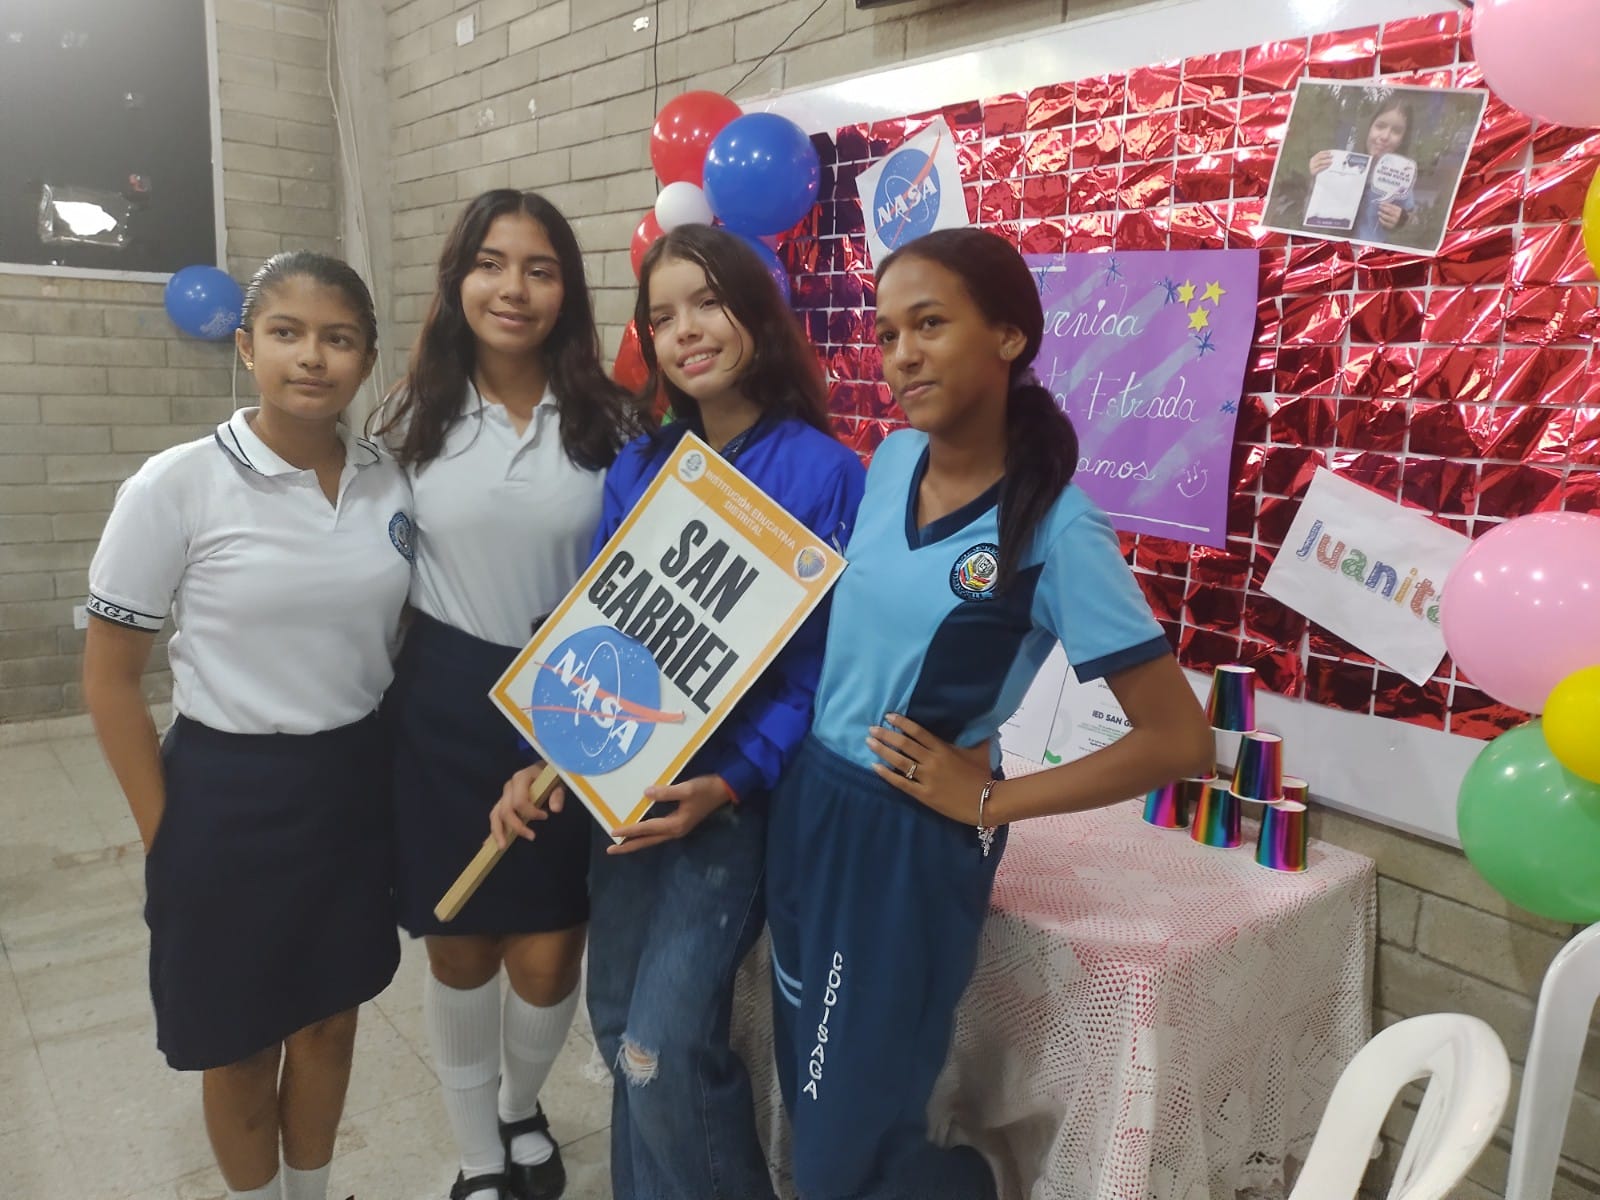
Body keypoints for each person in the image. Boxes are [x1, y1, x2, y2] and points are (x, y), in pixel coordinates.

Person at [764, 227, 1214, 1200]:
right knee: (809, 1092)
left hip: (905, 841)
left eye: (929, 324)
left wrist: (989, 804)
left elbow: (1180, 739)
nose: (902, 355)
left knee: (844, 1144)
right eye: (887, 335)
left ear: (1009, 336)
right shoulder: (887, 466)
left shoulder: (1057, 525)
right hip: (811, 805)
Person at [490, 223, 865, 1200]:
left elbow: (818, 666)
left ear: (757, 316)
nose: (685, 331)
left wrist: (736, 778)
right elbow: (603, 633)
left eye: (706, 303)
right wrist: (549, 753)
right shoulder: (639, 467)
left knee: (659, 1047)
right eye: (661, 316)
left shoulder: (826, 474)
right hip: (621, 796)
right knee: (617, 1031)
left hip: (721, 807)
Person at [83, 252, 408, 1200]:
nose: (313, 357)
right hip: (225, 796)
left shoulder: (390, 482)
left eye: (339, 338)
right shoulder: (176, 485)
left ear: (367, 356)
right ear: (246, 345)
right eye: (287, 333)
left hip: (350, 786)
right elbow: (108, 682)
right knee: (238, 1042)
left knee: (330, 1021)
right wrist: (167, 835)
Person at [371, 190, 635, 1200]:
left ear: (567, 289)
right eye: (490, 263)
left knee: (549, 946)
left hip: (574, 696)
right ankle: (478, 1152)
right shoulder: (410, 417)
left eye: (539, 267)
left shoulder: (613, 421)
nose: (512, 287)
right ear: (457, 280)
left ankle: (522, 1104)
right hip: (441, 698)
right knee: (461, 937)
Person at [1308, 96, 1417, 242]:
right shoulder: (1339, 163)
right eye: (1380, 126)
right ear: (1369, 127)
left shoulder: (1401, 178)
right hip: (1331, 249)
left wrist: (1403, 219)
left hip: (1370, 254)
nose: (1385, 136)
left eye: (1396, 131)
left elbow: (1413, 219)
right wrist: (1316, 175)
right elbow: (1313, 208)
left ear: (1403, 139)